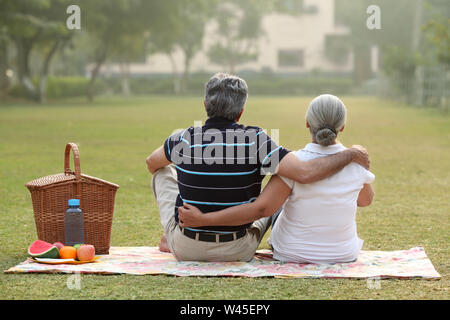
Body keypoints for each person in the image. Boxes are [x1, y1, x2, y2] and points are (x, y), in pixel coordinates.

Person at [147, 73, 370, 262]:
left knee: (163, 172)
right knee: (272, 203)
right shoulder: (256, 140)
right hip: (239, 249)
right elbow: (304, 172)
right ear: (241, 111)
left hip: (187, 248)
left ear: (205, 105)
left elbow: (151, 163)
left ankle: (172, 236)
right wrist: (350, 153)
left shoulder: (182, 139)